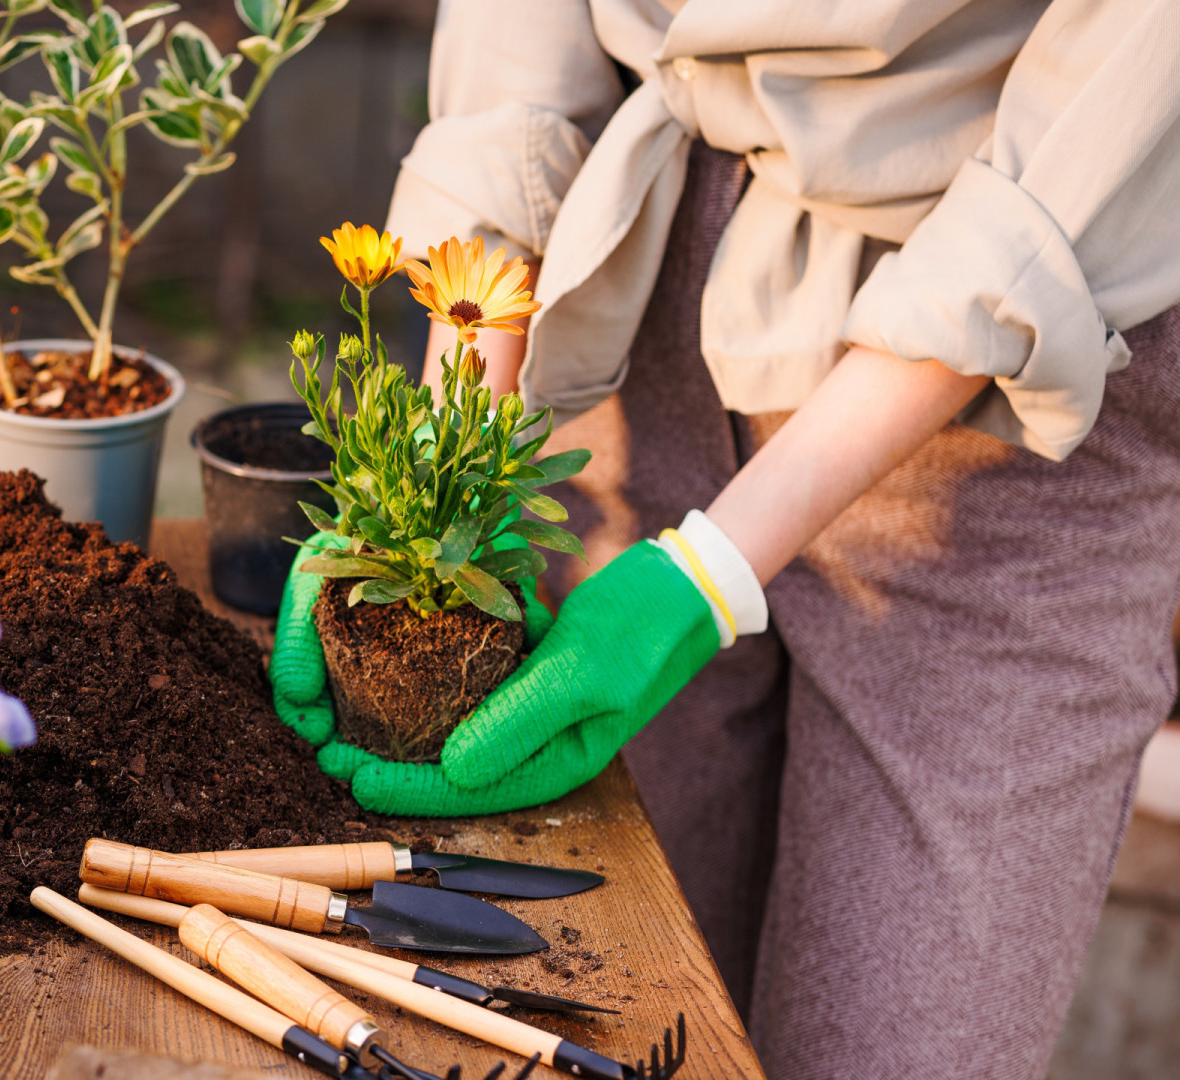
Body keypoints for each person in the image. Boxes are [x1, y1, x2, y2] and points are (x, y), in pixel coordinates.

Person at [266, 3, 1180, 1077]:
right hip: (640, 301)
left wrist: (704, 575)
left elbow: (1115, 102)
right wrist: (439, 459)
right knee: (621, 1008)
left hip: (1005, 413)